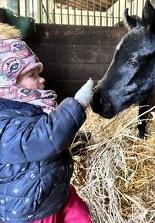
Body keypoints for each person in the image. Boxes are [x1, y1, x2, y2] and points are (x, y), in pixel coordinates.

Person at [0, 24, 93, 222]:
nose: (42, 80)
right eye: (32, 75)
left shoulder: (30, 108)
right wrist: (77, 105)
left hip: (56, 191)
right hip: (32, 208)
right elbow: (44, 137)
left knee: (82, 216)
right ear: (8, 84)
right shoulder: (3, 122)